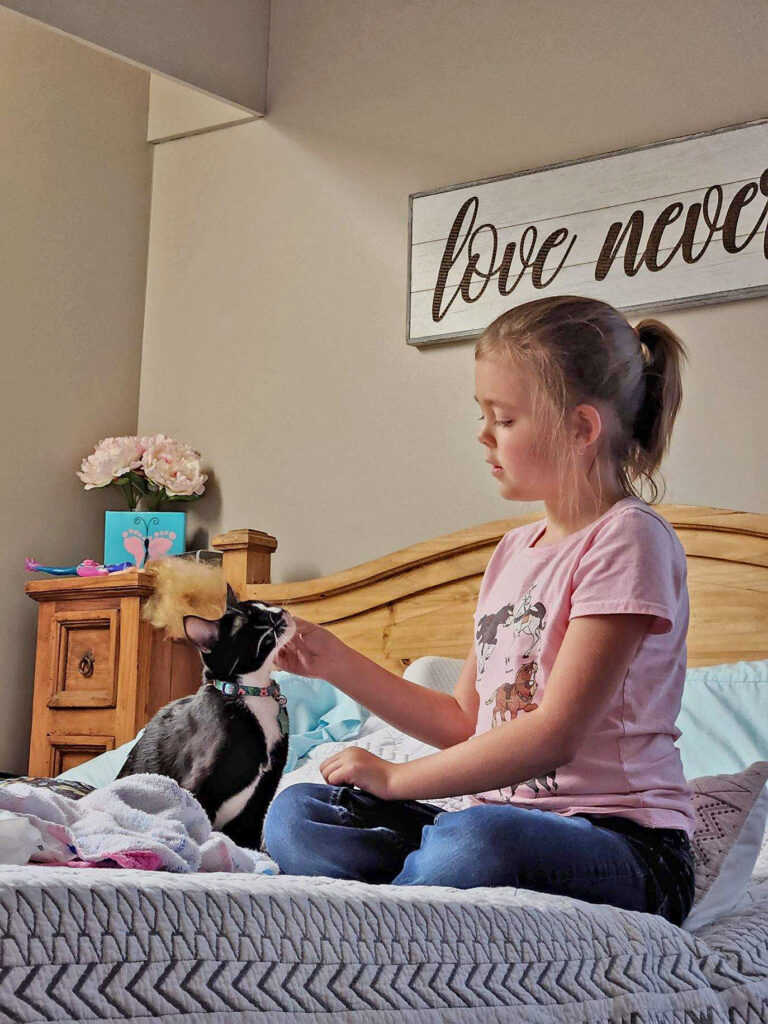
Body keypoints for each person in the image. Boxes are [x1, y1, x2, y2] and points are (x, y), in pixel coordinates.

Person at [263, 294, 696, 927]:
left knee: (477, 843)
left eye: (505, 418)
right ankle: (416, 900)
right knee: (299, 814)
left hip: (623, 846)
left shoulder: (629, 538)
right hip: (485, 823)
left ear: (580, 428)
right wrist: (334, 661)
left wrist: (395, 778)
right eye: (483, 415)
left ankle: (379, 920)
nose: (483, 436)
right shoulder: (514, 551)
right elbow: (466, 720)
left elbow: (554, 735)